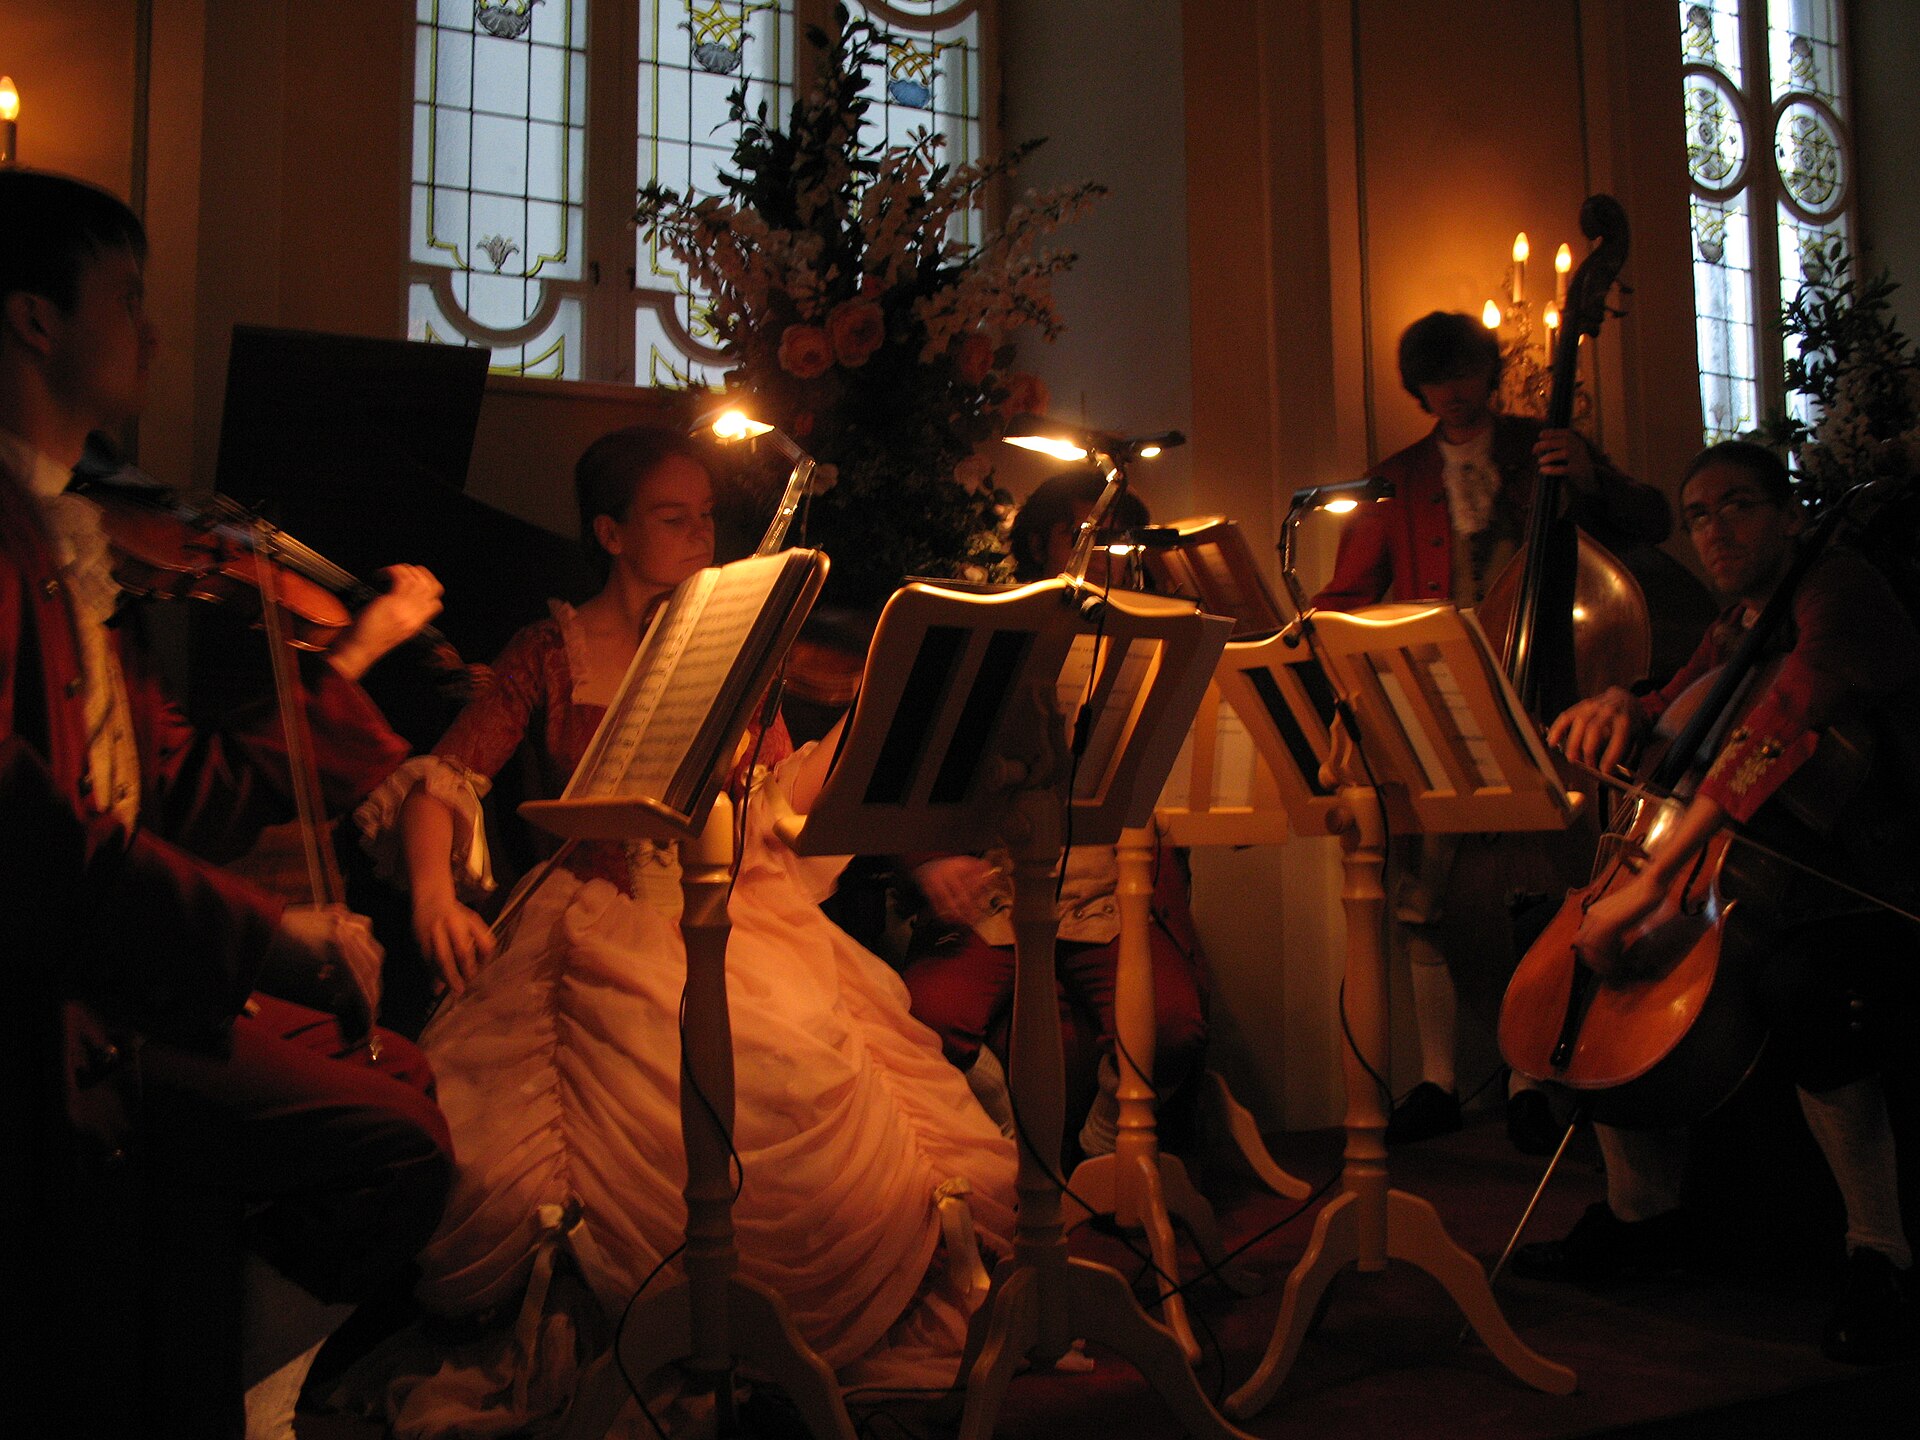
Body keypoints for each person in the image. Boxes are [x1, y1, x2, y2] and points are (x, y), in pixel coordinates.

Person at [355, 424, 1018, 1433]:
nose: (702, 536)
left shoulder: (734, 653)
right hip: (602, 916)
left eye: (709, 517)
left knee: (824, 1077)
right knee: (581, 1137)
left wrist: (885, 791)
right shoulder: (552, 646)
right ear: (611, 532)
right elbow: (446, 782)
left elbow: (778, 802)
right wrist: (434, 895)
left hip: (739, 911)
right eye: (675, 518)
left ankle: (782, 1333)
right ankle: (636, 1335)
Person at [0, 168, 454, 1437]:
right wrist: (269, 940)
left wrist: (351, 661)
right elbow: (30, 832)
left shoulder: (64, 533)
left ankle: (178, 1357)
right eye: (127, 299)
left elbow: (183, 788)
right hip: (57, 1009)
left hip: (117, 966)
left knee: (406, 1078)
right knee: (393, 1142)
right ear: (36, 319)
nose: (151, 333)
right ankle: (191, 1378)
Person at [1520, 440, 1920, 1363]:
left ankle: (1881, 1251)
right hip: (1772, 876)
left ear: (1789, 513)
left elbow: (1784, 719)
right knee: (1592, 972)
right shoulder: (1739, 617)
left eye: (1738, 505)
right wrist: (1626, 699)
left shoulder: (1836, 587)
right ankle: (1644, 1213)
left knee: (1799, 989)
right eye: (1698, 514)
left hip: (1868, 886)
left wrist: (1660, 878)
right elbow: (1690, 696)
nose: (1715, 530)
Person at [1311, 310, 1674, 1150]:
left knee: (1544, 892)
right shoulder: (1396, 478)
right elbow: (1348, 596)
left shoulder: (1543, 445)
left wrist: (1590, 478)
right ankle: (1439, 1079)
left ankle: (1527, 1081)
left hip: (1548, 695)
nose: (1455, 395)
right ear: (1420, 390)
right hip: (1439, 704)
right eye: (1437, 384)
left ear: (1490, 374)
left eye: (1466, 376)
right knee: (1426, 895)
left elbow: (1651, 522)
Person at [900, 469, 1211, 1157]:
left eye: (1118, 539)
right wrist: (933, 863)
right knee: (921, 1018)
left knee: (1170, 1026)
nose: (1103, 551)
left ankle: (1101, 1148)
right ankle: (1004, 1145)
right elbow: (921, 768)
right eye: (1083, 534)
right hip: (1001, 882)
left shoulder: (1162, 641)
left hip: (1115, 883)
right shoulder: (992, 632)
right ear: (1042, 543)